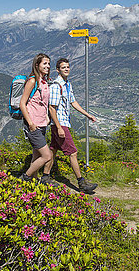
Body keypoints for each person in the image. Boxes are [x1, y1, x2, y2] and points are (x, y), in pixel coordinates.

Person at [44, 58, 98, 192]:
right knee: (73, 153)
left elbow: (73, 102)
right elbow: (52, 108)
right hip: (60, 124)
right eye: (63, 67)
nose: (67, 69)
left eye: (68, 67)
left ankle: (45, 177)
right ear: (58, 70)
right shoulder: (57, 86)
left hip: (62, 123)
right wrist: (58, 127)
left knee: (53, 150)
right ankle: (81, 183)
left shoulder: (67, 84)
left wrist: (87, 115)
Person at [18, 53, 55, 184]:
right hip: (33, 124)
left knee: (36, 155)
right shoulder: (32, 81)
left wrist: (46, 118)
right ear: (37, 65)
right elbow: (22, 103)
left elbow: (43, 103)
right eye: (44, 63)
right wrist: (30, 123)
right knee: (47, 155)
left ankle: (32, 183)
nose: (48, 66)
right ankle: (24, 178)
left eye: (49, 64)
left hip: (42, 124)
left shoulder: (44, 82)